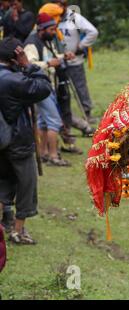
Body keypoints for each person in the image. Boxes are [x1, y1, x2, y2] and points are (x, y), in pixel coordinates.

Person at [0, 37, 52, 245]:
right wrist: (28, 65)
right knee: (26, 184)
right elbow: (44, 87)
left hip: (1, 141)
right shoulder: (14, 80)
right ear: (15, 56)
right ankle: (18, 231)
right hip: (18, 141)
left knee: (3, 184)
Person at [24, 13, 73, 166]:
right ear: (41, 29)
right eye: (52, 29)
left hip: (46, 86)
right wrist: (48, 64)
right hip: (38, 87)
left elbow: (49, 57)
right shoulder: (31, 43)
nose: (54, 32)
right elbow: (28, 65)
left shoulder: (45, 40)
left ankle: (43, 153)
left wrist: (63, 56)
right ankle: (53, 156)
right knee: (54, 121)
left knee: (43, 122)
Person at [52, 0, 99, 124]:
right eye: (56, 4)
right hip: (57, 60)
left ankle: (87, 114)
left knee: (80, 87)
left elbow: (92, 32)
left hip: (74, 59)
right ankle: (62, 116)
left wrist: (80, 47)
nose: (58, 7)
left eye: (61, 4)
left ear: (65, 5)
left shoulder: (73, 17)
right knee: (60, 88)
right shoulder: (52, 18)